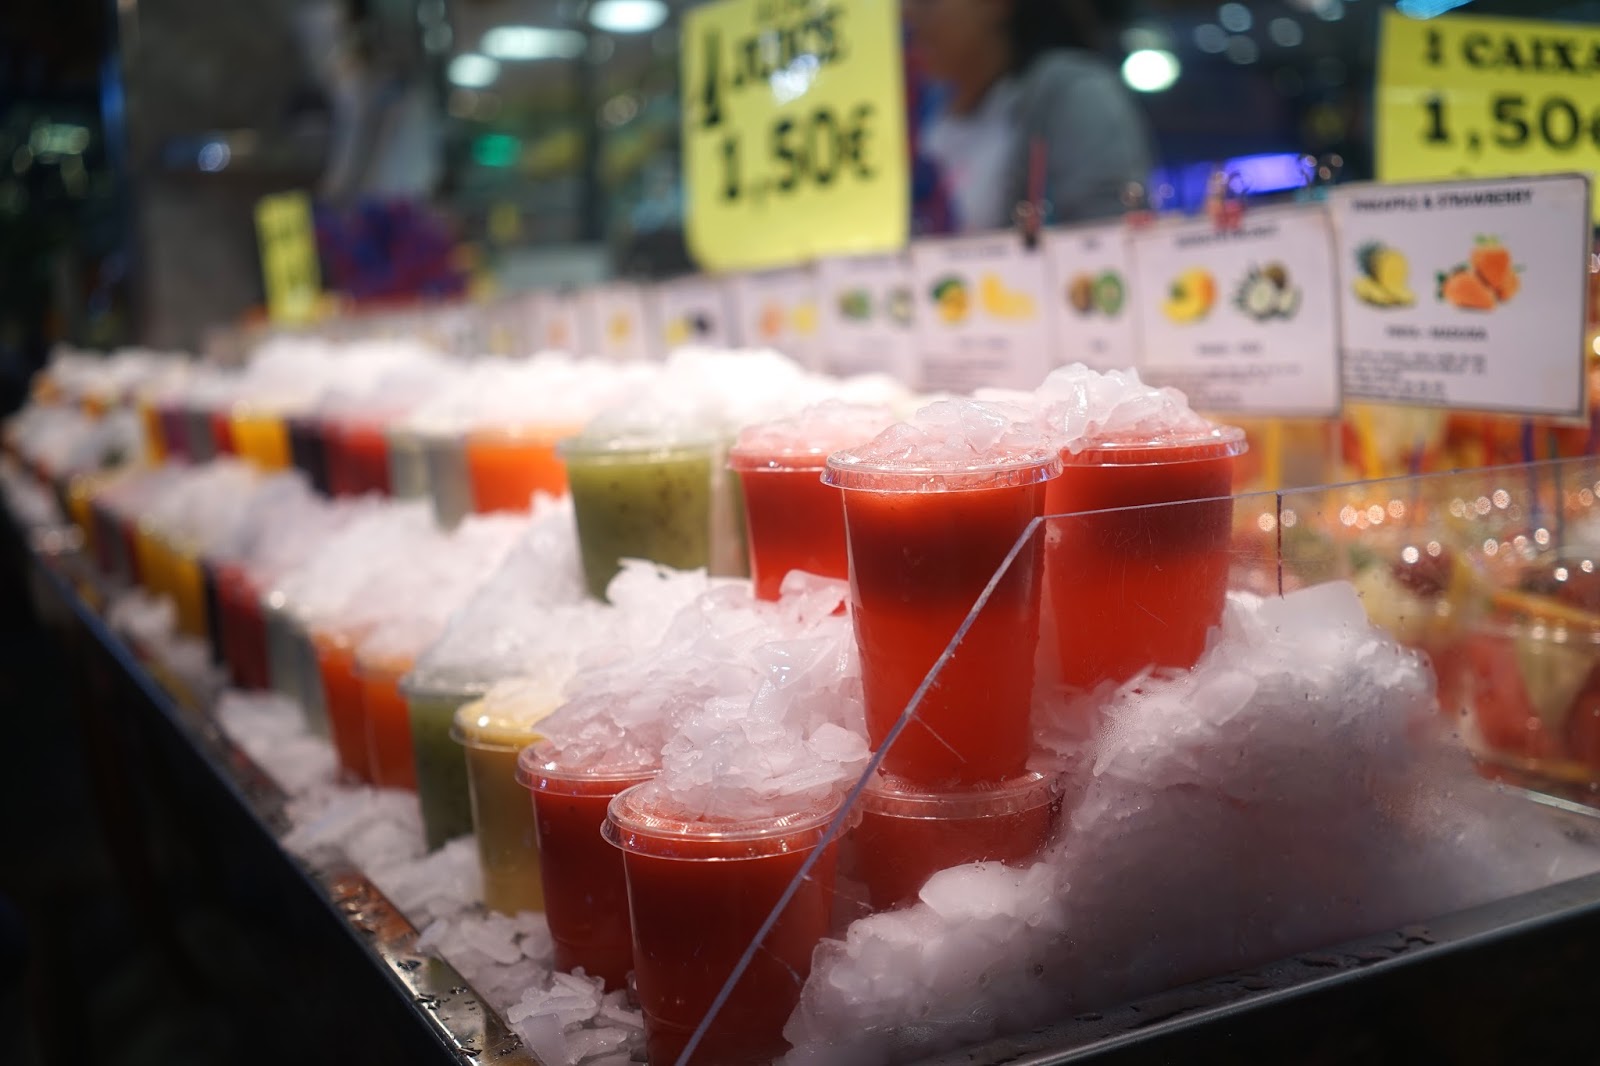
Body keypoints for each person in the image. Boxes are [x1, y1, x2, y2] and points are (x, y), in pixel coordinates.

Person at [905, 0, 1152, 233]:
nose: (906, 12)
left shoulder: (1070, 95)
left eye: (926, 0)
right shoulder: (926, 116)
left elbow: (1107, 245)